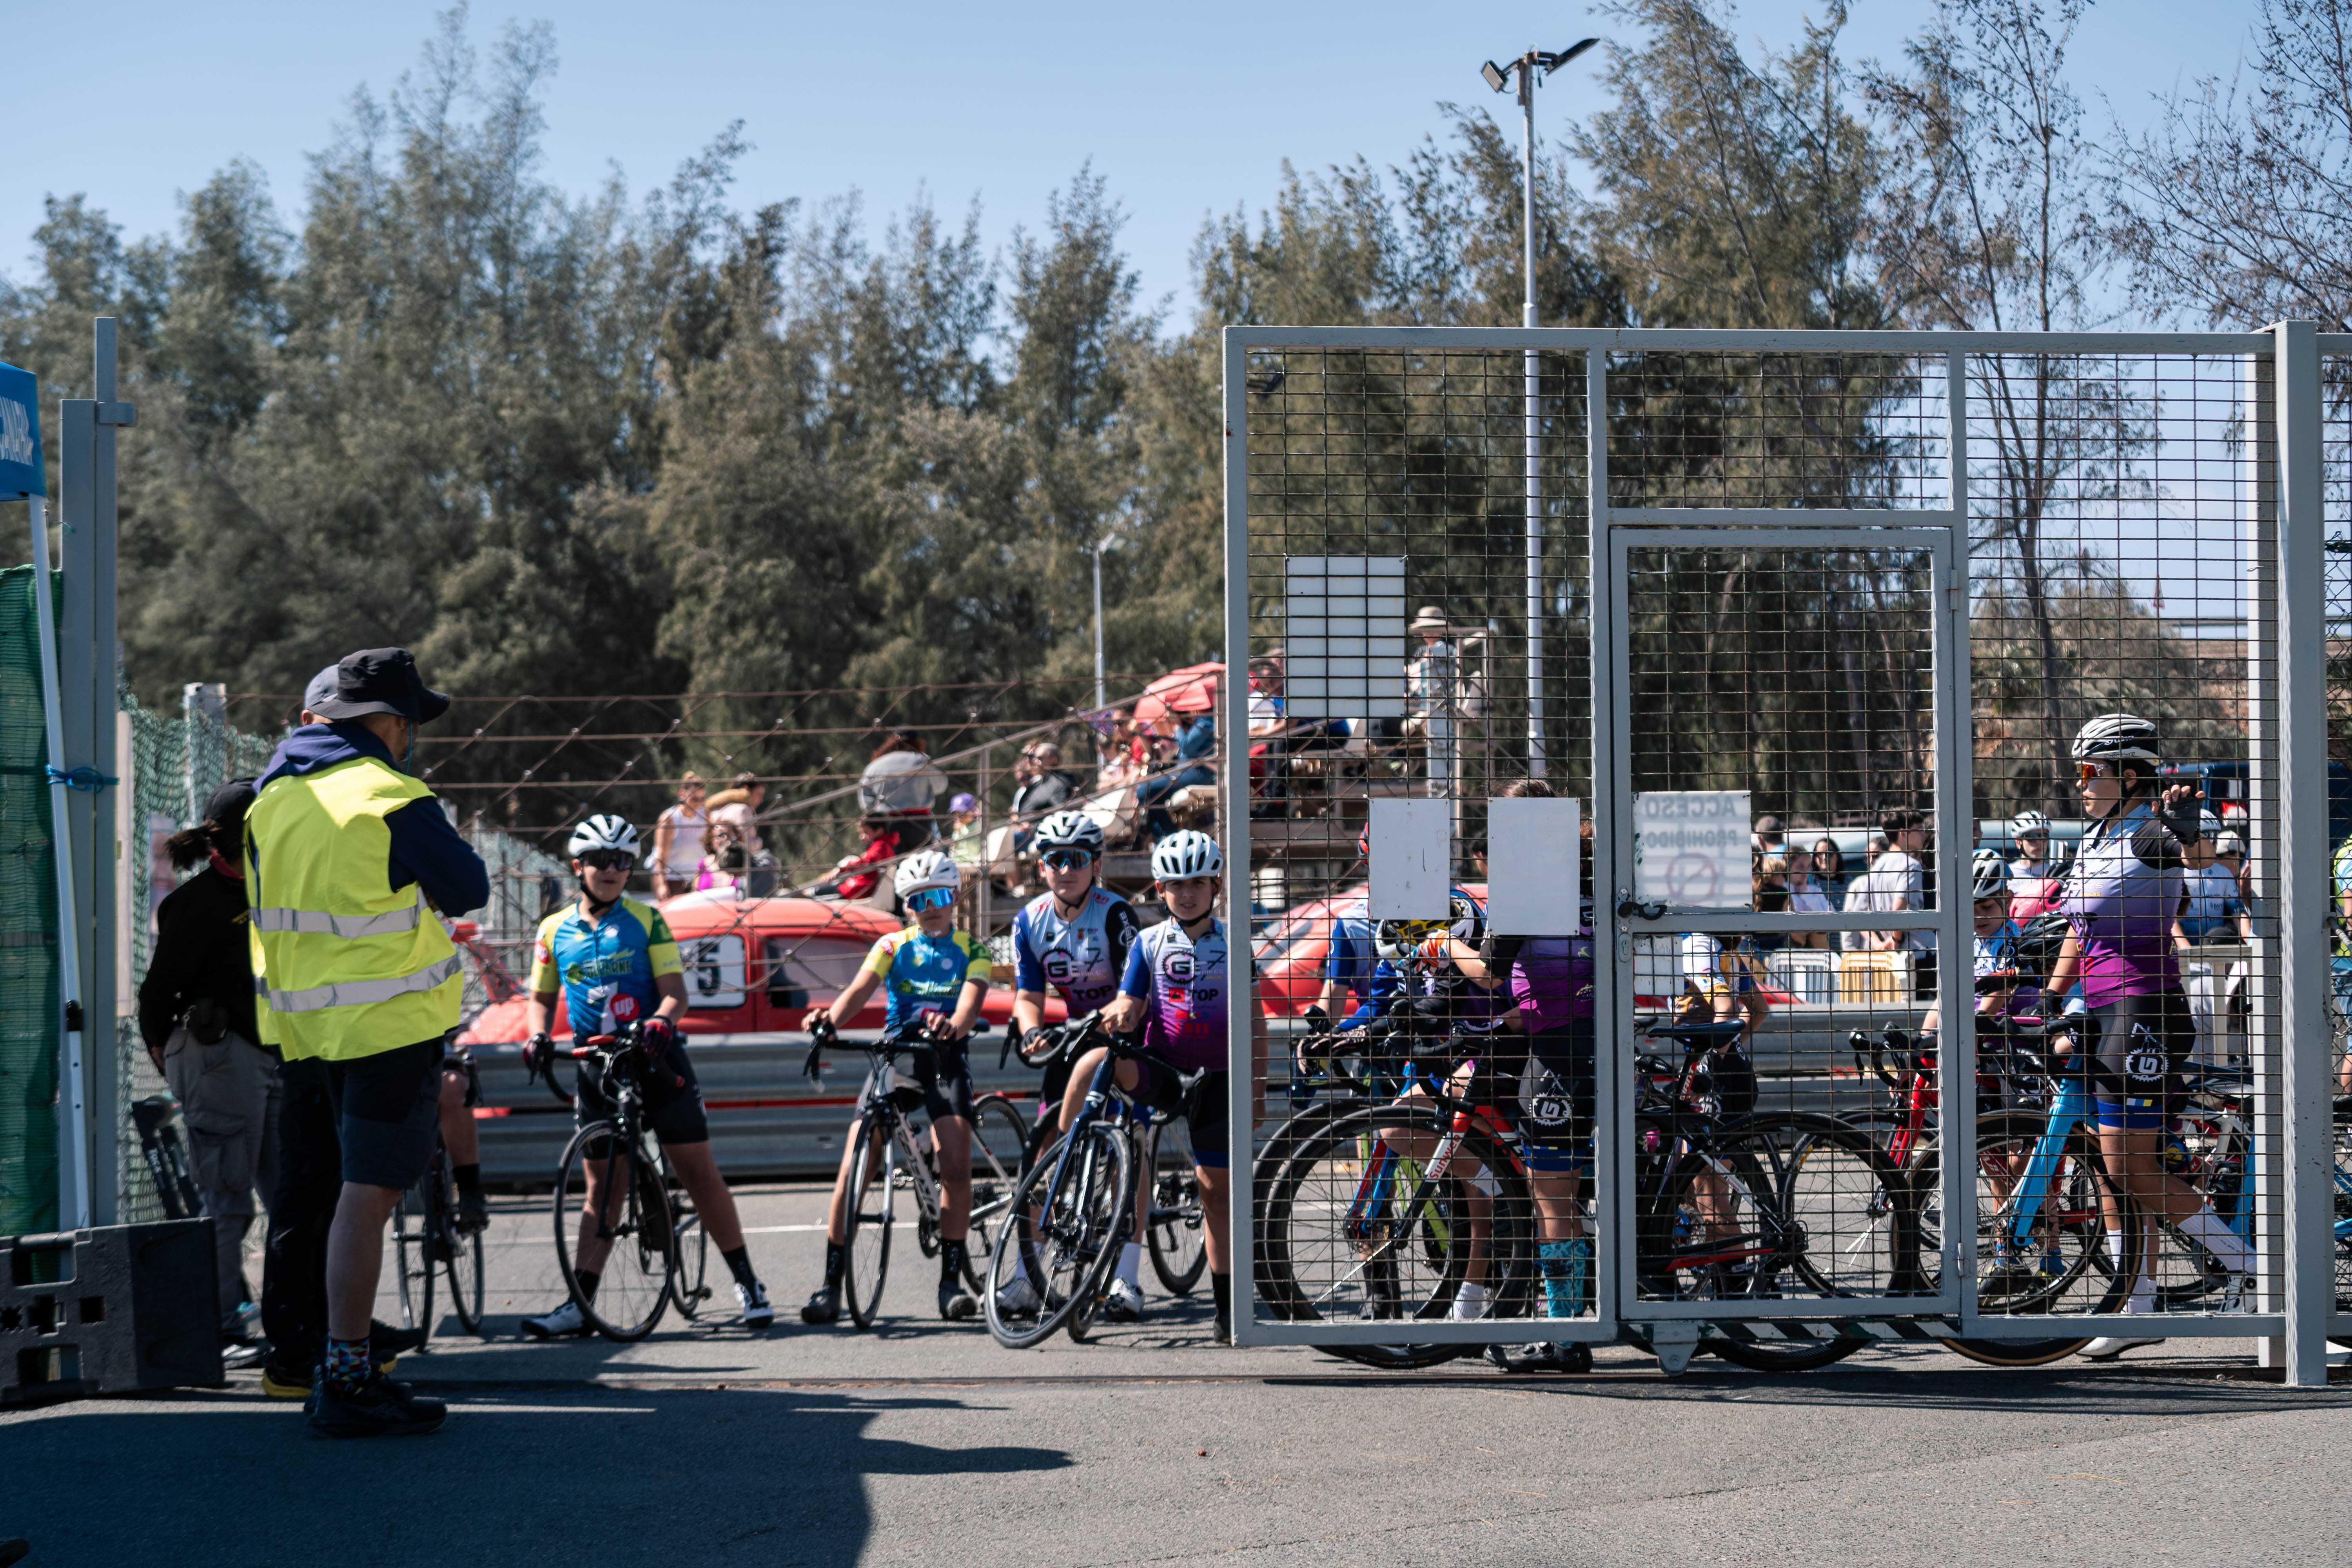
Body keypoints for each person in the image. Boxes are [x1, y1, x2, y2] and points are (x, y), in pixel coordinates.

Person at [245, 648, 488, 1436]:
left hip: (301, 1029)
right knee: (369, 1195)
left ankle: (312, 1352)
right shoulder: (392, 794)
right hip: (386, 1026)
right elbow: (468, 888)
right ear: (385, 724)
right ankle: (347, 1373)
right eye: (408, 720)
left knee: (312, 1191)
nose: (411, 734)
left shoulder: (267, 800)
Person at [2039, 714, 2253, 1360]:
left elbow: (2183, 852)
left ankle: (2251, 1269)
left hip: (2145, 1010)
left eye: (2089, 772)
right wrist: (2053, 997)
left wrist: (2190, 834)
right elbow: (2078, 928)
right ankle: (2138, 1304)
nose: (2080, 784)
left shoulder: (2145, 833)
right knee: (2113, 1170)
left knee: (2131, 1164)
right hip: (2100, 1011)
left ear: (2129, 775)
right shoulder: (2098, 836)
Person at [519, 815, 772, 1336]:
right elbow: (541, 1001)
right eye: (600, 861)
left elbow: (676, 992)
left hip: (655, 1059)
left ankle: (748, 1283)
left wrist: (661, 1020)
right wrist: (539, 1035)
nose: (612, 871)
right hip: (596, 1066)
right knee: (602, 1192)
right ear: (578, 866)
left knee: (699, 1174)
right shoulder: (552, 931)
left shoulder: (648, 920)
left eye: (622, 861)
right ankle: (581, 1306)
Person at [1073, 829, 1261, 1344]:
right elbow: (1130, 1005)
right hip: (1162, 1069)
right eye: (1176, 884)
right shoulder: (1148, 943)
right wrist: (1118, 1014)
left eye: (1198, 882)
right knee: (1100, 1061)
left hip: (1217, 1079)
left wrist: (1259, 1089)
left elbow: (1257, 1022)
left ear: (1216, 885)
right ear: (1160, 889)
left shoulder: (1233, 942)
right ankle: (1077, 1152)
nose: (1188, 893)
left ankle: (1226, 1311)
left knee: (1214, 1192)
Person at [801, 851, 992, 1324]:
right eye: (919, 900)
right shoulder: (891, 946)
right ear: (907, 906)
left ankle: (950, 1283)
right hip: (897, 1054)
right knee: (853, 1166)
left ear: (955, 898)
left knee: (957, 1165)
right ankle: (830, 1286)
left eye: (940, 897)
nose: (931, 907)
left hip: (944, 1056)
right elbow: (860, 991)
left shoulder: (975, 948)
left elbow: (971, 1003)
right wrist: (829, 1019)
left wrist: (955, 1025)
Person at [139, 779, 276, 1355]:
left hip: (277, 1056)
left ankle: (298, 1322)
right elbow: (157, 998)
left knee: (294, 1196)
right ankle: (221, 1325)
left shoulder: (281, 893)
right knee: (229, 1202)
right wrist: (180, 1063)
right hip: (220, 1056)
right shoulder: (194, 906)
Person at [1001, 811, 1142, 1319]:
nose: (1066, 869)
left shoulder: (1115, 914)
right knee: (1046, 1149)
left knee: (1135, 1144)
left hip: (1125, 1029)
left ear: (1096, 865)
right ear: (1043, 868)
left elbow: (1133, 989)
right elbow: (1027, 996)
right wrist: (1031, 1029)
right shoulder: (1029, 921)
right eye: (1056, 860)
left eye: (1077, 860)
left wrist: (1107, 1021)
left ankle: (1128, 1277)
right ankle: (1027, 1275)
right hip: (1073, 1035)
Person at [1136, 711, 1216, 844]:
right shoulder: (1199, 721)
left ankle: (1174, 839)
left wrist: (1178, 725)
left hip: (1198, 773)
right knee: (1150, 796)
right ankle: (1168, 838)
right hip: (1185, 771)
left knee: (1145, 791)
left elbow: (1186, 747)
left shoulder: (1206, 721)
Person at [858, 730, 949, 831]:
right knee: (923, 848)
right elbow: (941, 786)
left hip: (888, 823)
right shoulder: (922, 761)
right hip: (920, 822)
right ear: (917, 742)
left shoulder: (875, 766)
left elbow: (866, 799)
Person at [651, 773, 709, 900]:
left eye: (702, 799)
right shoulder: (670, 819)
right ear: (682, 794)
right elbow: (660, 854)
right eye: (695, 799)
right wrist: (661, 885)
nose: (699, 804)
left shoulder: (705, 816)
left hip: (696, 879)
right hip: (672, 880)